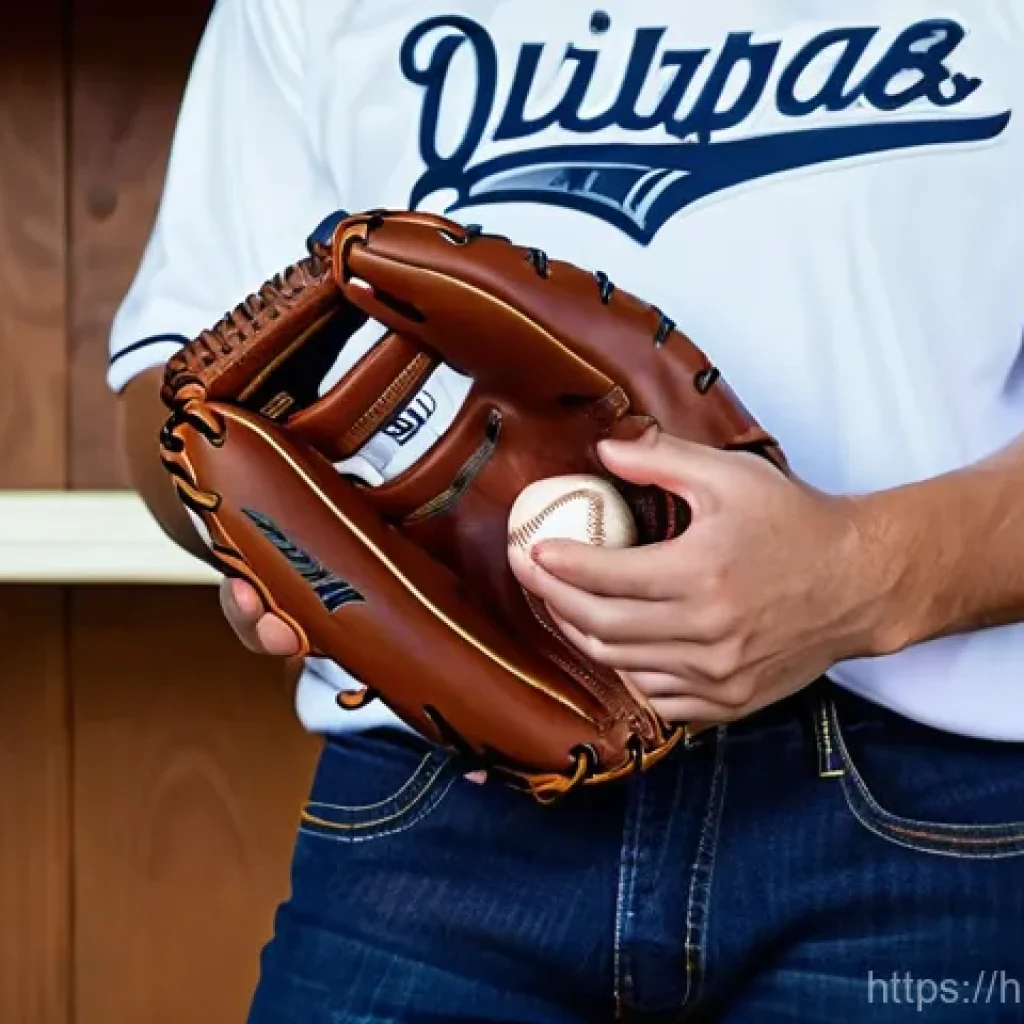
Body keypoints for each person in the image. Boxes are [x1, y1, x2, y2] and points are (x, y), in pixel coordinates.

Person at [110, 1, 1024, 1020]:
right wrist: (257, 535)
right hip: (447, 791)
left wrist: (860, 573)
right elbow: (175, 386)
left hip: (928, 815)